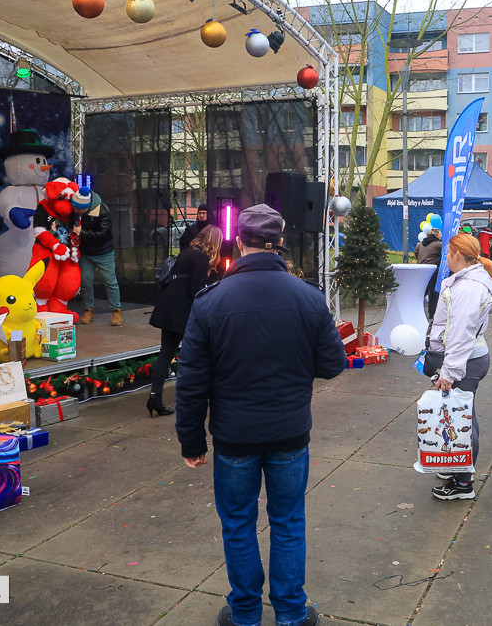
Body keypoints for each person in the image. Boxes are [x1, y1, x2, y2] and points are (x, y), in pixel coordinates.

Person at [174, 204, 346, 626]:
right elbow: (332, 364)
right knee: (288, 522)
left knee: (237, 524)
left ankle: (246, 614)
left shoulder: (212, 301)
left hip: (234, 438)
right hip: (289, 434)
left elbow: (192, 380)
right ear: (281, 243)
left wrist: (191, 440)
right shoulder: (308, 298)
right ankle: (290, 614)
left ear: (238, 241)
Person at [426, 234, 492, 500]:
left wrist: (449, 372)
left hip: (465, 360)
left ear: (458, 254)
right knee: (462, 415)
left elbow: (460, 333)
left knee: (462, 419)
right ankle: (456, 469)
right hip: (465, 359)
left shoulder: (469, 287)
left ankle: (463, 482)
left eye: (448, 253)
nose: (445, 257)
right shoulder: (468, 281)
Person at [147, 225, 223, 416]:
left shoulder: (187, 252)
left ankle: (155, 397)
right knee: (196, 353)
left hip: (168, 307)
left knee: (165, 353)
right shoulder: (201, 258)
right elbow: (196, 291)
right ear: (214, 242)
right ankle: (193, 394)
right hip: (182, 312)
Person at [72, 189, 124, 327]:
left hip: (103, 252)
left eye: (78, 209)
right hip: (86, 253)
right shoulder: (76, 212)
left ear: (86, 207)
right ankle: (88, 310)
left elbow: (104, 233)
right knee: (85, 282)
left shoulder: (102, 211)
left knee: (110, 281)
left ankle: (116, 311)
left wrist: (81, 232)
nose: (75, 210)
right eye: (74, 208)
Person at [415, 228, 443, 319]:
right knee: (433, 294)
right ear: (437, 235)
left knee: (421, 292)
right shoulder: (438, 245)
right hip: (433, 271)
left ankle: (415, 310)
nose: (441, 236)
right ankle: (432, 313)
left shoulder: (420, 244)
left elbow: (416, 253)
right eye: (440, 234)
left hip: (421, 270)